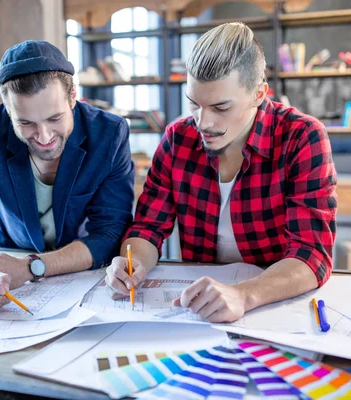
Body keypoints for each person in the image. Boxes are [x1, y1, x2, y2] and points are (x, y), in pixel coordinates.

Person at [105, 23, 337, 323]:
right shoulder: (178, 138)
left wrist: (243, 294)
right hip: (198, 308)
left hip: (273, 304)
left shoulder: (303, 137)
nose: (203, 122)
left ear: (258, 94)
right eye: (194, 104)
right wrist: (130, 263)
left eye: (220, 107)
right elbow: (148, 227)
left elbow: (312, 255)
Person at [0, 40, 135, 315]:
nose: (44, 136)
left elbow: (110, 233)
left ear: (73, 95)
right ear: (7, 106)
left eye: (55, 118)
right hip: (10, 272)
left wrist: (31, 267)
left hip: (86, 271)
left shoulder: (109, 134)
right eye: (25, 123)